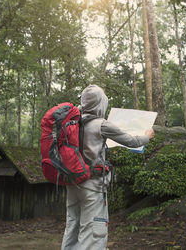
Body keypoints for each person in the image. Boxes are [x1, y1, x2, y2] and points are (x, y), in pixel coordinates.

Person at [61, 85, 155, 250]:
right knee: (92, 234)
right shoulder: (102, 124)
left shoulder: (71, 123)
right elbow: (132, 142)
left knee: (72, 227)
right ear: (100, 104)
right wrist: (146, 137)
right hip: (92, 186)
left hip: (72, 183)